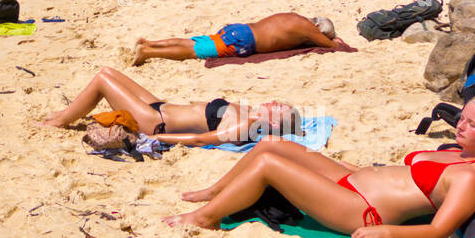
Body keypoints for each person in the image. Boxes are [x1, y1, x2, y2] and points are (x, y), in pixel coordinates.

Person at [163, 97, 475, 238]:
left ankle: (205, 218)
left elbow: (437, 231)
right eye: (463, 118)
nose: (460, 125)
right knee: (273, 142)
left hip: (361, 210)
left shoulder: (468, 180)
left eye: (471, 124)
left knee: (269, 166)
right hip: (352, 180)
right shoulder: (454, 150)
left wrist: (384, 232)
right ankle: (215, 191)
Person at [39, 67, 301, 144]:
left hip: (157, 122)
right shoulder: (248, 111)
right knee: (107, 71)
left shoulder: (250, 124)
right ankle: (64, 114)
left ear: (275, 122)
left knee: (101, 81)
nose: (275, 102)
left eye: (279, 107)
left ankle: (60, 122)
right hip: (159, 106)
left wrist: (160, 139)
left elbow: (204, 139)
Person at [131, 13, 340, 66]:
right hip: (243, 42)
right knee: (192, 52)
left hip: (239, 30)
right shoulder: (308, 29)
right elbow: (332, 46)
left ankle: (149, 43)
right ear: (319, 28)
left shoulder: (295, 18)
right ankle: (148, 52)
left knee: (193, 42)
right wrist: (331, 40)